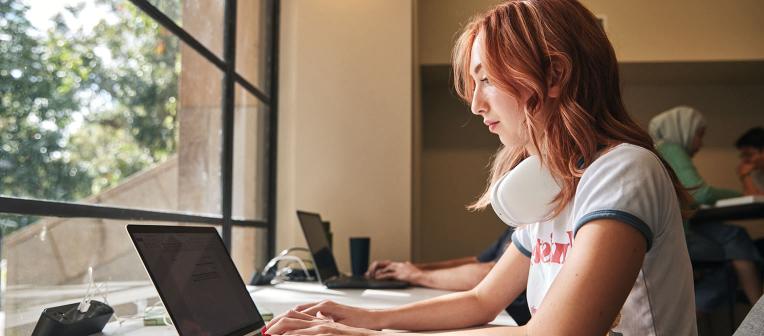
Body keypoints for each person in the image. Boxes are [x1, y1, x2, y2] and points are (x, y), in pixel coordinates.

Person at [264, 1, 697, 334]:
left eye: (486, 79)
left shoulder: (624, 172)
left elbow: (557, 333)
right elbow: (481, 300)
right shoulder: (555, 185)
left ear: (553, 76)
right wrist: (366, 318)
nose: (475, 104)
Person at [648, 106, 763, 307]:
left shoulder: (655, 150)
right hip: (676, 236)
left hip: (665, 233)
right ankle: (758, 312)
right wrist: (743, 196)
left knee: (733, 243)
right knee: (736, 241)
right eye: (699, 135)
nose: (701, 143)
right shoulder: (670, 148)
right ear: (683, 129)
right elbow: (700, 193)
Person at [365, 228, 531, 325]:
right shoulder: (516, 227)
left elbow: (487, 273)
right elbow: (478, 261)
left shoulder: (533, 227)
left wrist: (418, 276)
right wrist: (411, 268)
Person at [736, 127, 764, 196]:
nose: (745, 160)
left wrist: (744, 176)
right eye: (743, 155)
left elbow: (758, 199)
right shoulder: (757, 174)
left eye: (749, 155)